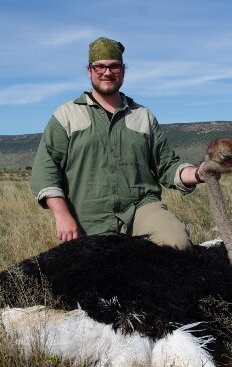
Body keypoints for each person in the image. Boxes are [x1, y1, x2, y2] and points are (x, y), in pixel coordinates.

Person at [30, 37, 208, 250]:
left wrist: (199, 173)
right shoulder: (66, 115)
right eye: (100, 67)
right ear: (89, 71)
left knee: (177, 245)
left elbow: (166, 165)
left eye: (114, 66)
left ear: (123, 70)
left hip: (140, 208)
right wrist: (62, 215)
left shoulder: (143, 116)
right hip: (87, 215)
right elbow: (46, 169)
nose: (107, 72)